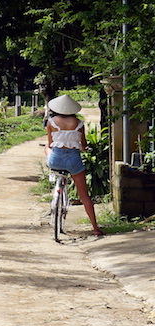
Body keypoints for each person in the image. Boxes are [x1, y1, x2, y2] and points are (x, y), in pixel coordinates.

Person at [44, 95, 103, 237]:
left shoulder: (51, 122)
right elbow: (83, 145)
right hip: (73, 160)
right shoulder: (79, 123)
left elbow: (51, 142)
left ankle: (55, 178)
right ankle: (95, 228)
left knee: (47, 147)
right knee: (84, 196)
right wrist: (82, 148)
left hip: (55, 160)